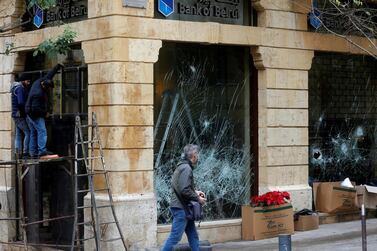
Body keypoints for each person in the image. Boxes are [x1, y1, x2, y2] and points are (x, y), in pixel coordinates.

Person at [162, 144, 206, 251]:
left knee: (193, 235)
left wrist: (195, 191)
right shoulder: (186, 168)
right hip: (181, 208)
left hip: (184, 208)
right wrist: (198, 198)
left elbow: (181, 186)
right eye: (197, 154)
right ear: (194, 156)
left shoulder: (181, 166)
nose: (198, 156)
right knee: (175, 237)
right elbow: (184, 190)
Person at [25, 64, 63, 158]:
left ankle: (33, 153)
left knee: (34, 132)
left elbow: (50, 74)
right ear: (45, 87)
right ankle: (42, 151)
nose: (49, 91)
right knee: (42, 131)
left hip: (28, 113)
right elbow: (35, 109)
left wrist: (57, 67)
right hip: (34, 114)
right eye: (48, 89)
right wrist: (45, 113)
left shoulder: (39, 81)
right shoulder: (38, 93)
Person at [11, 73, 32, 158]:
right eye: (27, 81)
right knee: (28, 132)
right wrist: (24, 112)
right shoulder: (20, 88)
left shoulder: (16, 87)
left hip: (16, 114)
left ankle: (18, 153)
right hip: (19, 115)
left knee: (18, 134)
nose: (28, 83)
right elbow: (20, 102)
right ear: (23, 80)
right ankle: (25, 152)